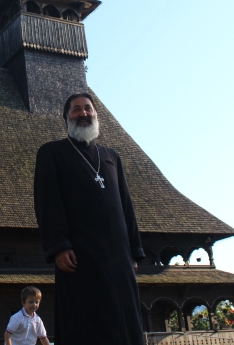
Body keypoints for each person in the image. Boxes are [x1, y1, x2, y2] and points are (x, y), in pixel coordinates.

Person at [34, 92, 146, 345]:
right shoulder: (52, 153)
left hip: (118, 258)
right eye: (76, 110)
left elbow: (126, 205)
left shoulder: (111, 157)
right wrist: (59, 247)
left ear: (95, 115)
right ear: (66, 118)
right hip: (80, 257)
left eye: (88, 108)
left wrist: (134, 252)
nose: (83, 113)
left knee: (126, 323)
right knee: (85, 321)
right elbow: (46, 203)